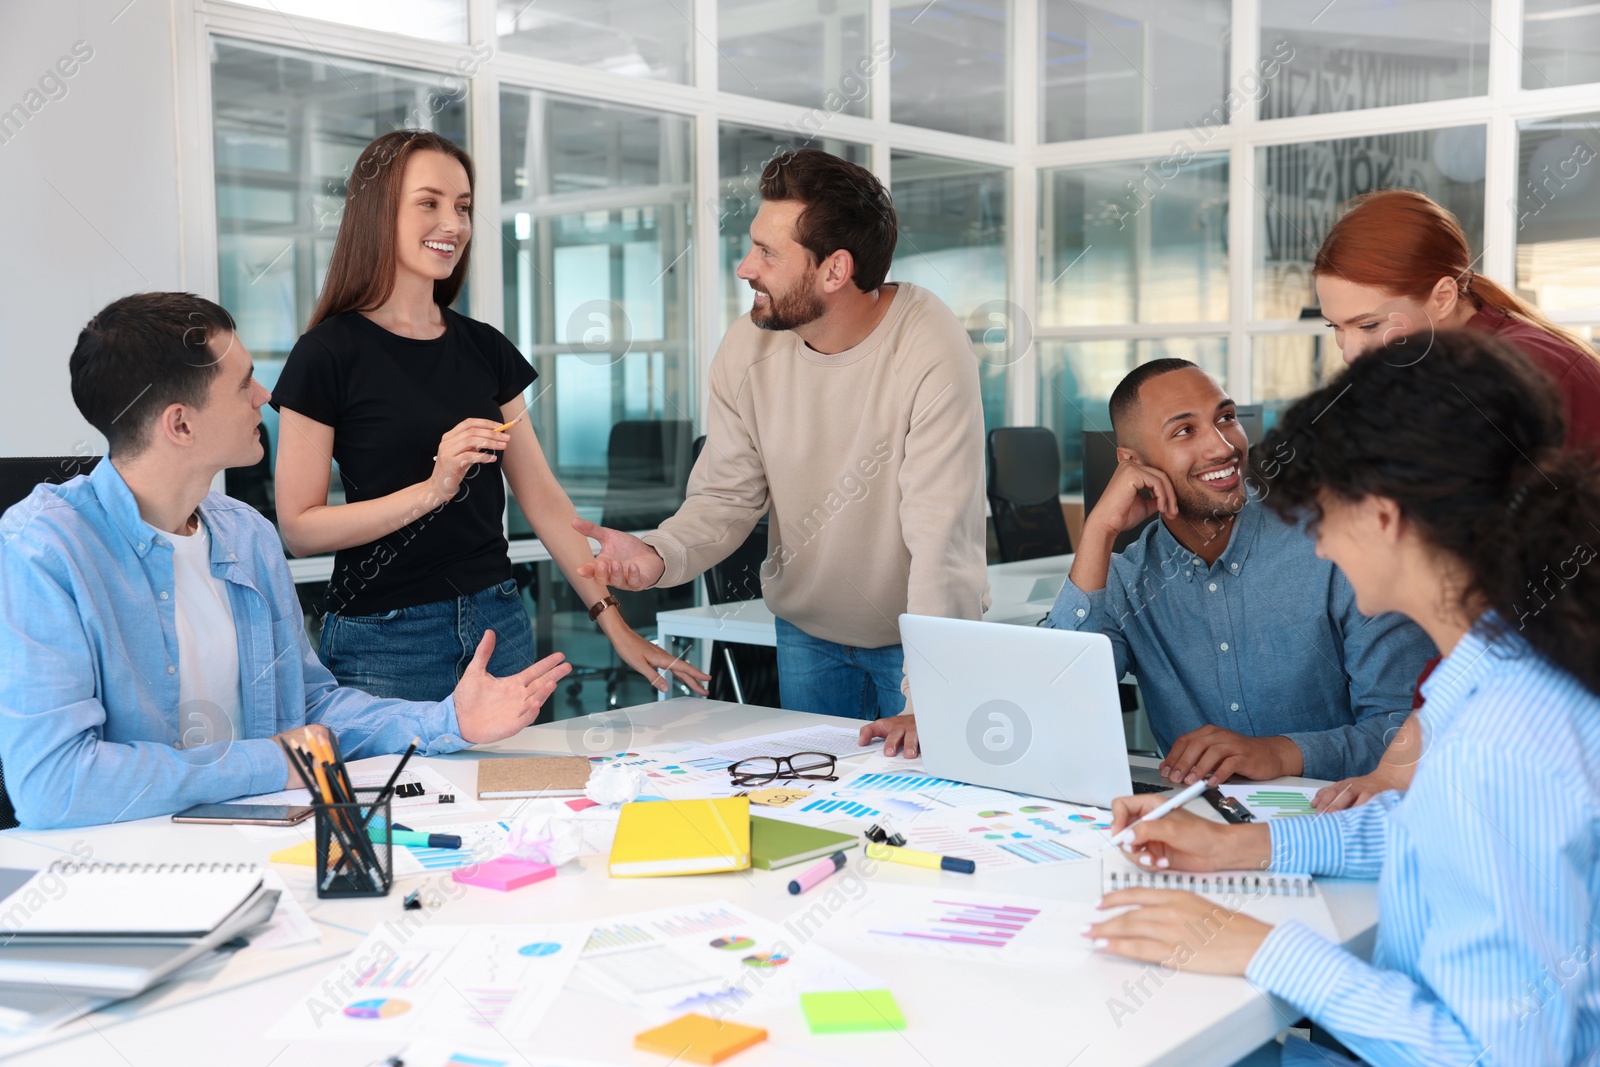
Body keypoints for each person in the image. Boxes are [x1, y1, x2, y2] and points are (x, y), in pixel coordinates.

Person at [1087, 330, 1600, 1066]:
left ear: (1384, 516)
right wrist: (1246, 844)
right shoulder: (1502, 674)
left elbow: (1499, 1055)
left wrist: (1258, 945)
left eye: (1323, 512)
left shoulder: (1498, 745)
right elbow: (1431, 831)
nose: (1318, 545)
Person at [0, 293, 571, 829]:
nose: (265, 396)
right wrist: (275, 761)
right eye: (243, 383)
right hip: (124, 869)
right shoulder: (46, 549)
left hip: (262, 840)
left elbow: (309, 705)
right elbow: (54, 785)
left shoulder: (244, 533)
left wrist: (447, 721)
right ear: (180, 423)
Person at [271, 130, 706, 705]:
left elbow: (545, 501)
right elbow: (298, 528)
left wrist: (616, 626)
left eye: (463, 207)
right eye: (429, 203)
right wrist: (432, 489)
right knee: (401, 798)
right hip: (386, 640)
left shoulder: (483, 347)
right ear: (379, 213)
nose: (452, 223)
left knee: (518, 795)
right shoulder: (326, 354)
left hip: (500, 624)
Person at [573, 149, 987, 721]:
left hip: (914, 643)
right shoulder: (749, 347)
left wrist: (932, 697)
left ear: (834, 271)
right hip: (806, 634)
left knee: (923, 804)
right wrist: (658, 554)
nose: (745, 267)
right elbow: (726, 495)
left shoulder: (928, 345)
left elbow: (942, 538)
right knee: (820, 804)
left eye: (767, 253)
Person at [868, 359, 1435, 773]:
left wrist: (1283, 753)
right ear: (1132, 464)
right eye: (1184, 431)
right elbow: (1051, 703)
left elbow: (1410, 730)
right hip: (1197, 830)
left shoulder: (1337, 549)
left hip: (1343, 819)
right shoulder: (1125, 578)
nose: (1222, 446)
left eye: (1227, 418)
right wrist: (1098, 534)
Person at [1311, 188, 1600, 810]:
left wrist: (1404, 761)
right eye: (1337, 329)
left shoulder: (1513, 382)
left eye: (1370, 324)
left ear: (1444, 295)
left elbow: (1497, 605)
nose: (1352, 352)